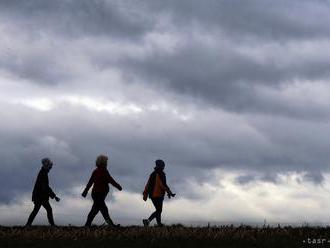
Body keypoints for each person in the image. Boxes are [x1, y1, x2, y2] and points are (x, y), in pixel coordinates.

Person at [82, 154, 122, 227]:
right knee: (103, 210)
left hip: (97, 194)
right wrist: (118, 186)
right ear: (103, 162)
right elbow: (111, 180)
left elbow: (90, 182)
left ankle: (87, 225)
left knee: (95, 210)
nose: (107, 163)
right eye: (106, 161)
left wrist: (85, 191)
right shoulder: (103, 171)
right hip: (98, 194)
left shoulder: (97, 171)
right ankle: (111, 225)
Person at [26, 158, 60, 226]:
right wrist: (54, 196)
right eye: (50, 166)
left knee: (37, 210)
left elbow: (45, 187)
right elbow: (45, 187)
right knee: (47, 209)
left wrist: (53, 196)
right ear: (47, 166)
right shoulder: (43, 174)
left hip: (39, 196)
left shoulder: (43, 172)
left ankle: (28, 224)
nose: (51, 168)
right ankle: (52, 225)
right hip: (40, 197)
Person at [142, 159, 175, 227]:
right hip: (158, 195)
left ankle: (159, 224)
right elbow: (163, 185)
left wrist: (145, 194)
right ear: (160, 166)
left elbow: (147, 185)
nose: (163, 167)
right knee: (159, 210)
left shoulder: (152, 174)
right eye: (163, 165)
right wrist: (170, 193)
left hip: (152, 195)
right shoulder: (161, 174)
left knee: (158, 210)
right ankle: (147, 221)